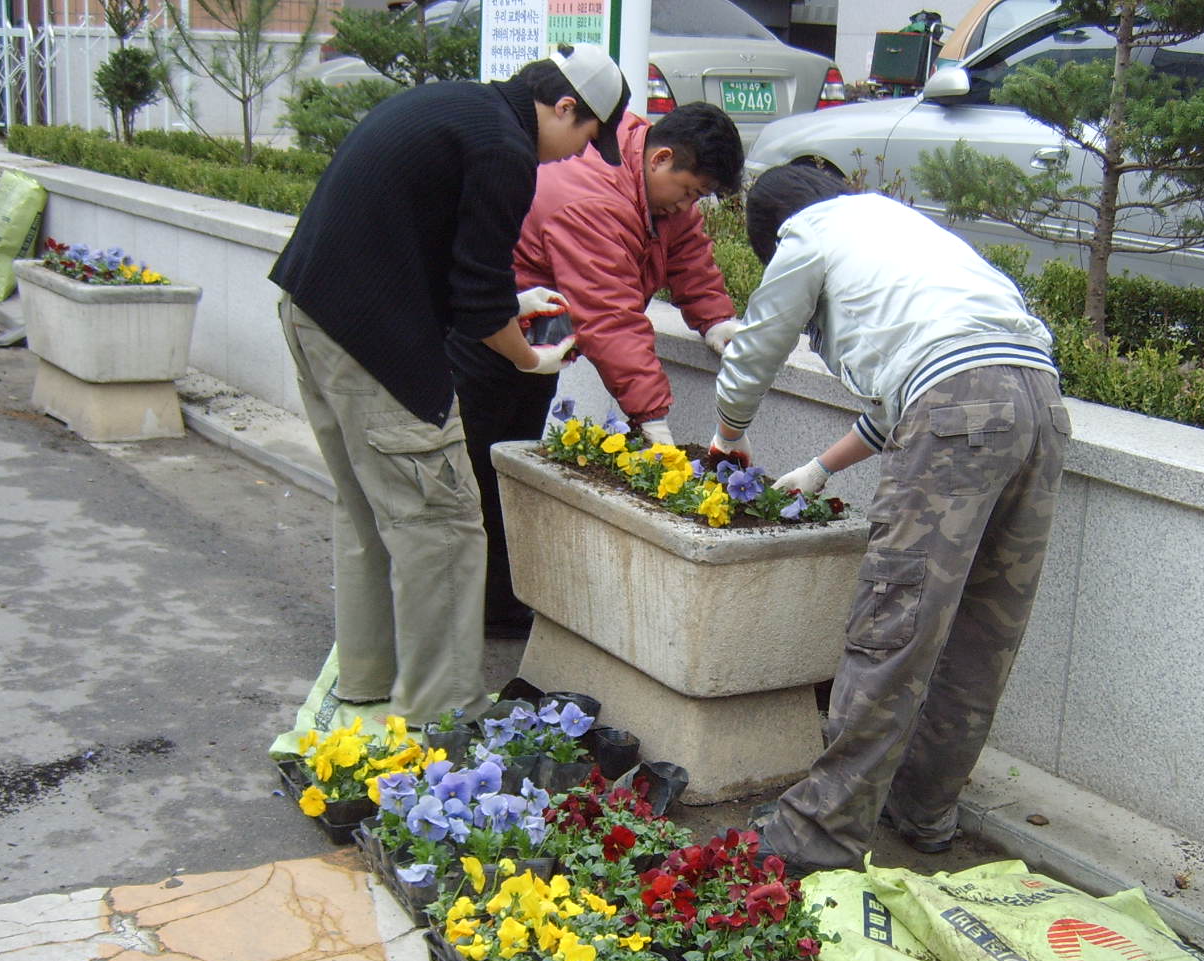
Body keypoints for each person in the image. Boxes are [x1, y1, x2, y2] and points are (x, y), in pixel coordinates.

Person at [712, 164, 1071, 873]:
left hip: (958, 407)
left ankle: (821, 831)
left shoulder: (809, 232)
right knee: (983, 629)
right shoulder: (901, 231)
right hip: (1042, 410)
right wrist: (822, 466)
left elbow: (758, 341)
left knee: (893, 626)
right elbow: (910, 388)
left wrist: (726, 431)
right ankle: (924, 810)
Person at [270, 44, 631, 724]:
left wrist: (507, 306)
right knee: (445, 524)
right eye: (587, 134)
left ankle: (369, 686)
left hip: (312, 310)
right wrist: (530, 359)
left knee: (370, 513)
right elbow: (478, 301)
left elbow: (437, 250)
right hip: (374, 340)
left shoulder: (458, 106)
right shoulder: (505, 148)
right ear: (563, 107)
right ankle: (444, 716)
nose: (580, 152)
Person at [448, 102, 746, 638]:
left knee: (508, 468)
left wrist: (716, 321)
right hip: (489, 335)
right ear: (660, 158)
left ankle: (497, 603)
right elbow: (608, 316)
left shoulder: (659, 191)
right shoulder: (592, 198)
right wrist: (653, 421)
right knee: (478, 476)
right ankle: (470, 610)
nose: (689, 205)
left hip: (539, 342)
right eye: (690, 191)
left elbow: (688, 257)